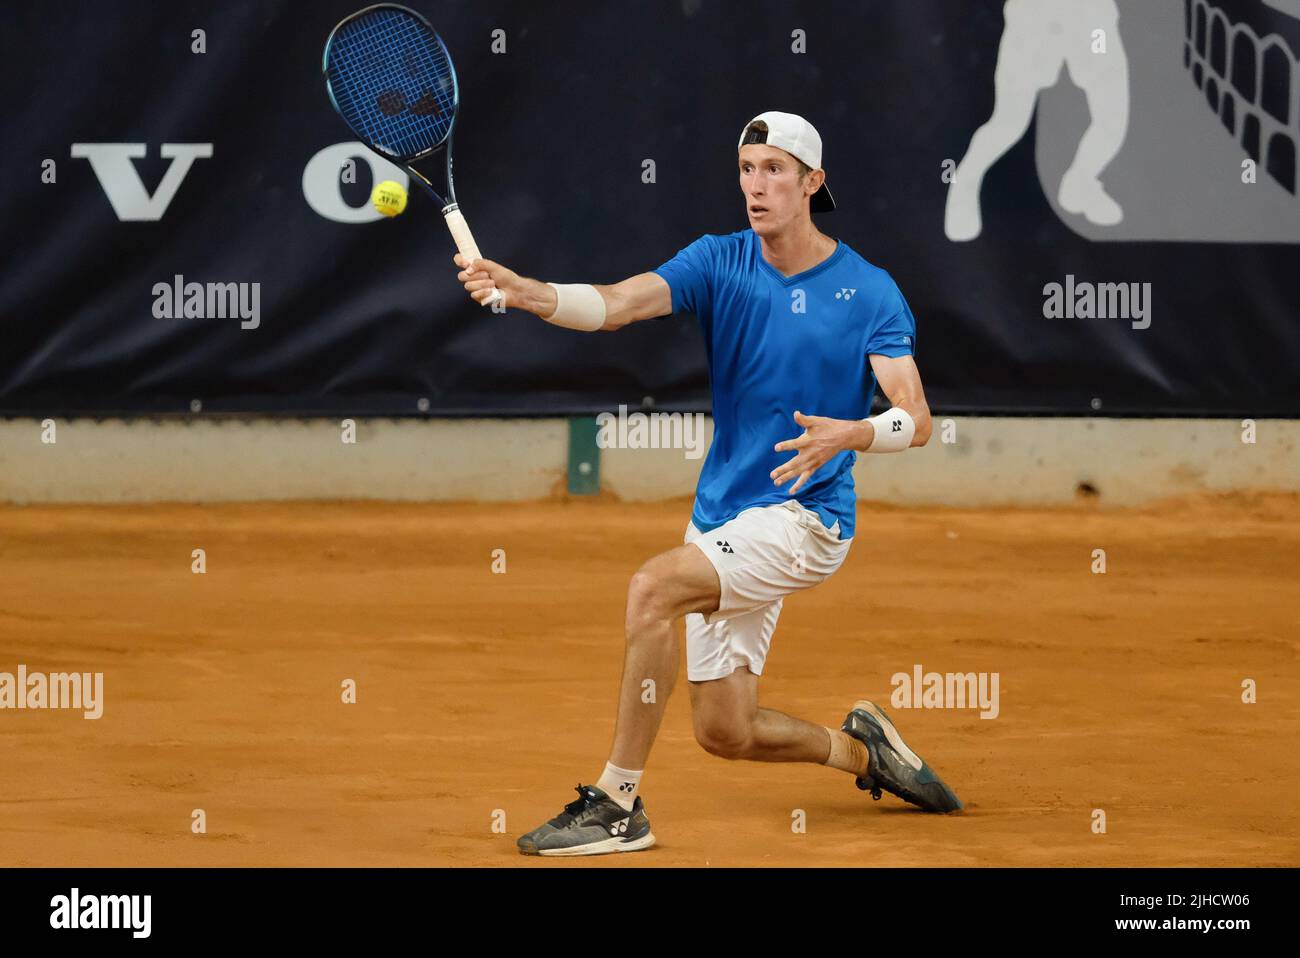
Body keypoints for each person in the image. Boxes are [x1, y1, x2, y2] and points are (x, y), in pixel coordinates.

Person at [455, 111, 963, 857]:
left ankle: (617, 804)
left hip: (807, 518)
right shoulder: (718, 261)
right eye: (746, 169)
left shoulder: (870, 291)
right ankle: (867, 753)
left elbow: (916, 419)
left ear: (812, 183)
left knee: (652, 588)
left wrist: (852, 433)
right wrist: (528, 290)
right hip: (723, 514)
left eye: (775, 170)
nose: (756, 186)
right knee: (726, 730)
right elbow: (618, 305)